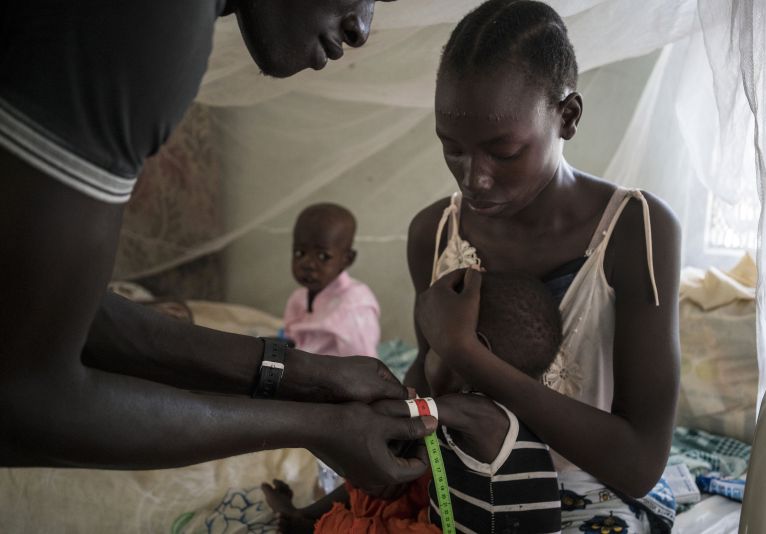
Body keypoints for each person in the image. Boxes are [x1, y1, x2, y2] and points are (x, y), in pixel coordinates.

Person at [0, 0, 436, 490]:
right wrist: (319, 425)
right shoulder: (147, 23)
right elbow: (26, 398)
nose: (363, 28)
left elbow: (41, 308)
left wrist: (304, 375)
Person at [405, 1, 681, 532]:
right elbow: (429, 384)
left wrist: (467, 352)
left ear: (568, 117)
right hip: (464, 478)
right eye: (451, 149)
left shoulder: (634, 232)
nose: (474, 178)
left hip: (591, 490)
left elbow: (639, 463)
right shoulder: (434, 234)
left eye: (503, 152)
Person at [262, 271, 563, 534]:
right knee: (385, 479)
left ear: (472, 353)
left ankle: (310, 524)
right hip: (448, 518)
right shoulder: (500, 410)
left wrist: (323, 401)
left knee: (347, 521)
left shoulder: (482, 414)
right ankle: (305, 517)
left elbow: (394, 413)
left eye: (432, 347)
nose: (425, 358)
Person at [284, 203, 381, 359]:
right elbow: (292, 338)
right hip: (301, 368)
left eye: (323, 256)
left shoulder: (354, 306)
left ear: (347, 259)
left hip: (334, 379)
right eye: (300, 252)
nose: (307, 264)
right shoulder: (299, 297)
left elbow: (364, 365)